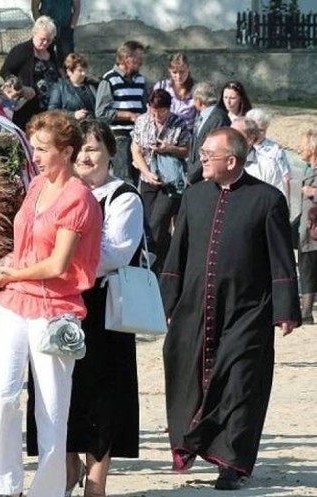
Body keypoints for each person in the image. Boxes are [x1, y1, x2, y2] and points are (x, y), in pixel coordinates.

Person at [161, 128, 300, 491]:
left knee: (240, 384)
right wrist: (165, 302)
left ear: (232, 160)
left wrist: (284, 310)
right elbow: (177, 255)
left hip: (248, 311)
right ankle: (191, 443)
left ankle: (232, 464)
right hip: (196, 307)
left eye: (209, 153)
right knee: (187, 373)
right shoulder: (192, 197)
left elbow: (281, 259)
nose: (202, 157)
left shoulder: (267, 199)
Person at [0, 110, 103, 497]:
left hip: (55, 309)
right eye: (33, 147)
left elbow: (57, 264)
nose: (34, 155)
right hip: (15, 302)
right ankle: (5, 487)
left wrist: (11, 274)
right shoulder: (36, 185)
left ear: (66, 152)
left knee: (51, 408)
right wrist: (6, 264)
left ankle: (48, 491)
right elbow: (27, 247)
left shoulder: (79, 198)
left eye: (42, 149)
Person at [26, 119, 144, 497]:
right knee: (58, 391)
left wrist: (60, 260)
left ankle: (97, 480)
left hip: (101, 306)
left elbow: (113, 253)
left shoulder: (123, 197)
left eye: (96, 149)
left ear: (111, 153)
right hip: (58, 301)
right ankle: (66, 464)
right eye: (83, 149)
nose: (88, 156)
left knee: (102, 395)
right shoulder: (53, 191)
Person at [130, 89, 190, 273]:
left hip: (169, 182)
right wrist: (146, 173)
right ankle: (165, 262)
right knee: (148, 223)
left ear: (169, 109)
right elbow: (136, 149)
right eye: (153, 110)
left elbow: (186, 150)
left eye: (161, 111)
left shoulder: (178, 123)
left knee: (158, 222)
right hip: (148, 178)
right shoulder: (142, 121)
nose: (157, 115)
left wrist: (169, 148)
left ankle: (154, 265)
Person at [95, 40, 147, 185]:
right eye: (137, 59)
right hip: (119, 137)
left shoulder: (140, 80)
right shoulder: (109, 79)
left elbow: (144, 108)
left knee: (140, 178)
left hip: (139, 138)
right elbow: (101, 112)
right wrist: (129, 115)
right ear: (126, 58)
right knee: (124, 178)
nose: (141, 63)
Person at [0, 15, 61, 129]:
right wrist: (20, 87)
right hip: (28, 108)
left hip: (50, 108)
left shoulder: (51, 52)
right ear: (34, 33)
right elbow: (5, 71)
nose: (45, 43)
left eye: (49, 40)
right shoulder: (22, 50)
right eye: (42, 39)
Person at [231, 117, 286, 198]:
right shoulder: (219, 162)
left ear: (250, 139)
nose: (228, 138)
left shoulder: (268, 166)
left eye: (234, 134)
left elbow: (279, 199)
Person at [186, 82, 230, 184]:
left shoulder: (218, 119)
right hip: (196, 176)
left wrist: (192, 175)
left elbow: (210, 150)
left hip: (206, 178)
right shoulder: (202, 117)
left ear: (199, 100)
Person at [246, 108, 292, 200]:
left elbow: (285, 178)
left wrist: (286, 205)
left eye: (261, 130)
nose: (258, 134)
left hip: (268, 198)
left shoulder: (275, 150)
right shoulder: (240, 147)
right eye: (255, 129)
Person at [297, 129, 317, 324]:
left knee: (310, 268)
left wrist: (314, 192)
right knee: (306, 268)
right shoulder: (307, 168)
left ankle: (306, 312)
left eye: (302, 146)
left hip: (315, 230)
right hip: (307, 228)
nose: (299, 149)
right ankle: (306, 312)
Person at [153, 52, 196, 130]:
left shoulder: (196, 89)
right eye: (175, 72)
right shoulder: (161, 87)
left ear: (188, 69)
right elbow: (152, 109)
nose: (178, 76)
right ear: (169, 71)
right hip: (165, 131)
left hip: (188, 132)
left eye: (182, 72)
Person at [30, 0, 80, 67]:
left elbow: (77, 8)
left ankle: (66, 75)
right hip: (46, 28)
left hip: (65, 27)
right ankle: (47, 74)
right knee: (45, 55)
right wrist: (40, 26)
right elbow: (34, 7)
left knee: (67, 57)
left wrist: (72, 26)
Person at [47, 52, 96, 120]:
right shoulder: (60, 88)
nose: (83, 73)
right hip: (70, 127)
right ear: (69, 72)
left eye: (85, 70)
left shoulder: (92, 85)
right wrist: (73, 115)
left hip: (92, 126)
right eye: (80, 70)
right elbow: (52, 111)